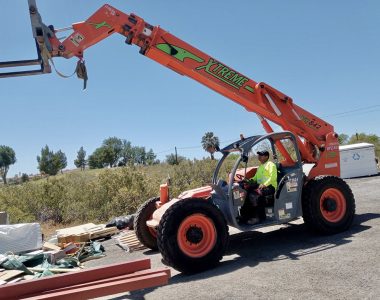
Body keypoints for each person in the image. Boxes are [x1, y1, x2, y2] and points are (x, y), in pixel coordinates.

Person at [239, 150, 277, 225]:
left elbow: (273, 177)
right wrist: (248, 181)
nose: (259, 156)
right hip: (261, 186)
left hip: (270, 187)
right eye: (259, 155)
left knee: (255, 195)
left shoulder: (271, 164)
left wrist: (265, 184)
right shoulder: (260, 167)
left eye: (261, 155)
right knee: (246, 193)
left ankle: (257, 217)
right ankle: (245, 216)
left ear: (266, 157)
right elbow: (255, 178)